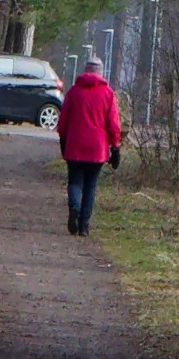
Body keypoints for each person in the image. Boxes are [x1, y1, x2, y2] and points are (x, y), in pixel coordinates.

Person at [59, 54, 123, 235]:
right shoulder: (108, 94)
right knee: (90, 186)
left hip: (75, 146)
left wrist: (63, 140)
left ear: (85, 71)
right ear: (101, 73)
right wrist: (115, 146)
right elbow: (113, 124)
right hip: (98, 149)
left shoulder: (74, 92)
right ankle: (84, 226)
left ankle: (74, 206)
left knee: (75, 181)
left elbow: (63, 122)